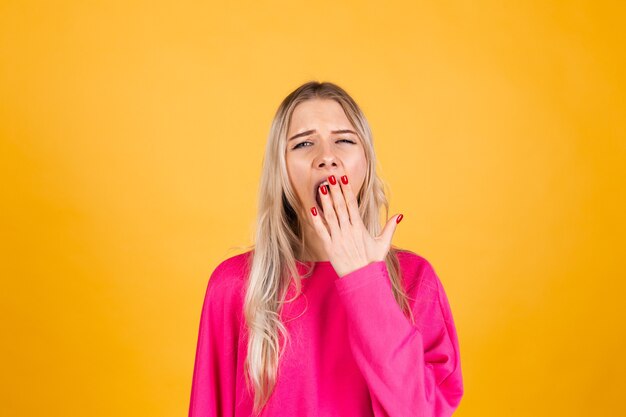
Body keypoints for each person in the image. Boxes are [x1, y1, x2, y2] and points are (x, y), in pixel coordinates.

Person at [188, 81, 464, 416]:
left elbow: (420, 411)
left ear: (366, 161)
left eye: (344, 140)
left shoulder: (416, 280)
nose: (326, 157)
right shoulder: (233, 286)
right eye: (304, 143)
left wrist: (364, 282)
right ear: (282, 170)